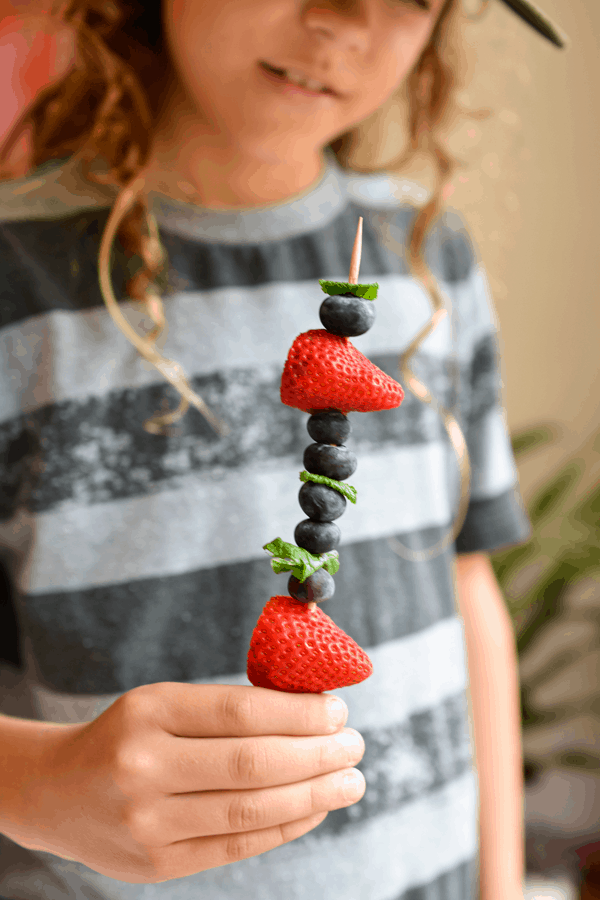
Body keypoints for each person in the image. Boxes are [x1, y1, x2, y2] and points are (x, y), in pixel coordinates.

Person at [0, 0, 567, 898]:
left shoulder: (433, 257)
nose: (344, 19)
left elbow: (471, 591)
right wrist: (28, 783)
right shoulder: (13, 280)